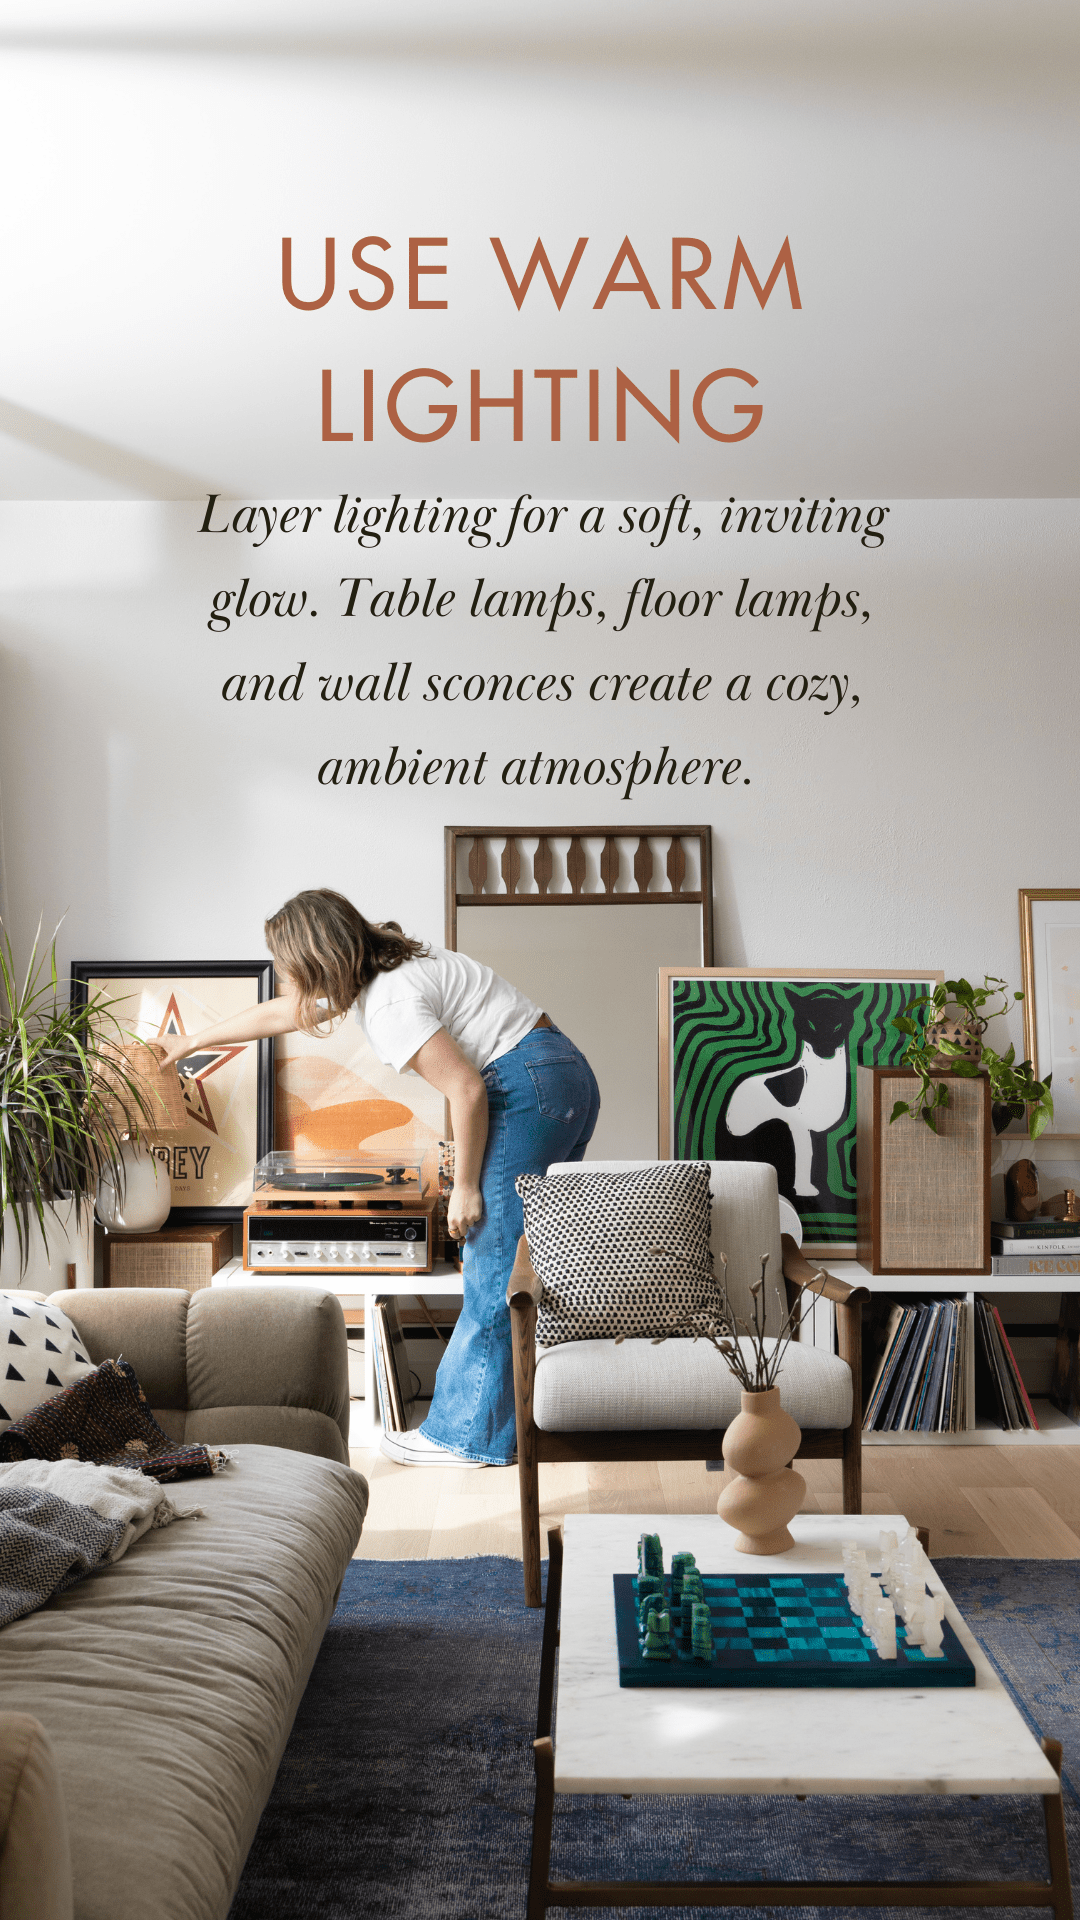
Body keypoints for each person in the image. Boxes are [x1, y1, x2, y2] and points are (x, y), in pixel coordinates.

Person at [156, 888, 600, 1467]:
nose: (291, 983)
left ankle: (468, 1438)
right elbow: (285, 1014)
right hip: (563, 1073)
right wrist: (190, 1041)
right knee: (527, 1255)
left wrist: (463, 1187)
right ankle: (513, 1425)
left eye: (292, 969)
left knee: (491, 1259)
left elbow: (465, 1089)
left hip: (525, 1085)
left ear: (314, 959)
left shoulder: (389, 1001)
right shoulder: (396, 967)